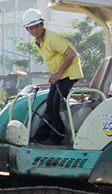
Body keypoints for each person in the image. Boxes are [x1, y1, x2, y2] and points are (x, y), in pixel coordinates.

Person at [23, 8, 83, 145]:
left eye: (37, 27)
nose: (35, 31)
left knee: (57, 106)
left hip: (68, 74)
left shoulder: (52, 39)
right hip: (61, 75)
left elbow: (72, 54)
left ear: (42, 25)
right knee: (50, 104)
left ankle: (56, 138)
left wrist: (58, 73)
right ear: (27, 30)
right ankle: (41, 136)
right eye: (31, 28)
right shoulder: (40, 41)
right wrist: (57, 74)